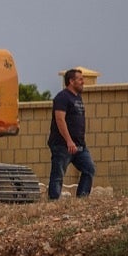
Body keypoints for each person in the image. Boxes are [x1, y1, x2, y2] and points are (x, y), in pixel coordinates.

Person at [47, 68, 95, 199]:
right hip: (62, 145)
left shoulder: (78, 98)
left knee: (89, 169)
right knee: (58, 174)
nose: (83, 82)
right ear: (71, 81)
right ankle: (53, 201)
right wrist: (69, 141)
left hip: (79, 145)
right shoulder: (62, 97)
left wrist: (79, 142)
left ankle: (82, 199)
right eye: (80, 79)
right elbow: (60, 119)